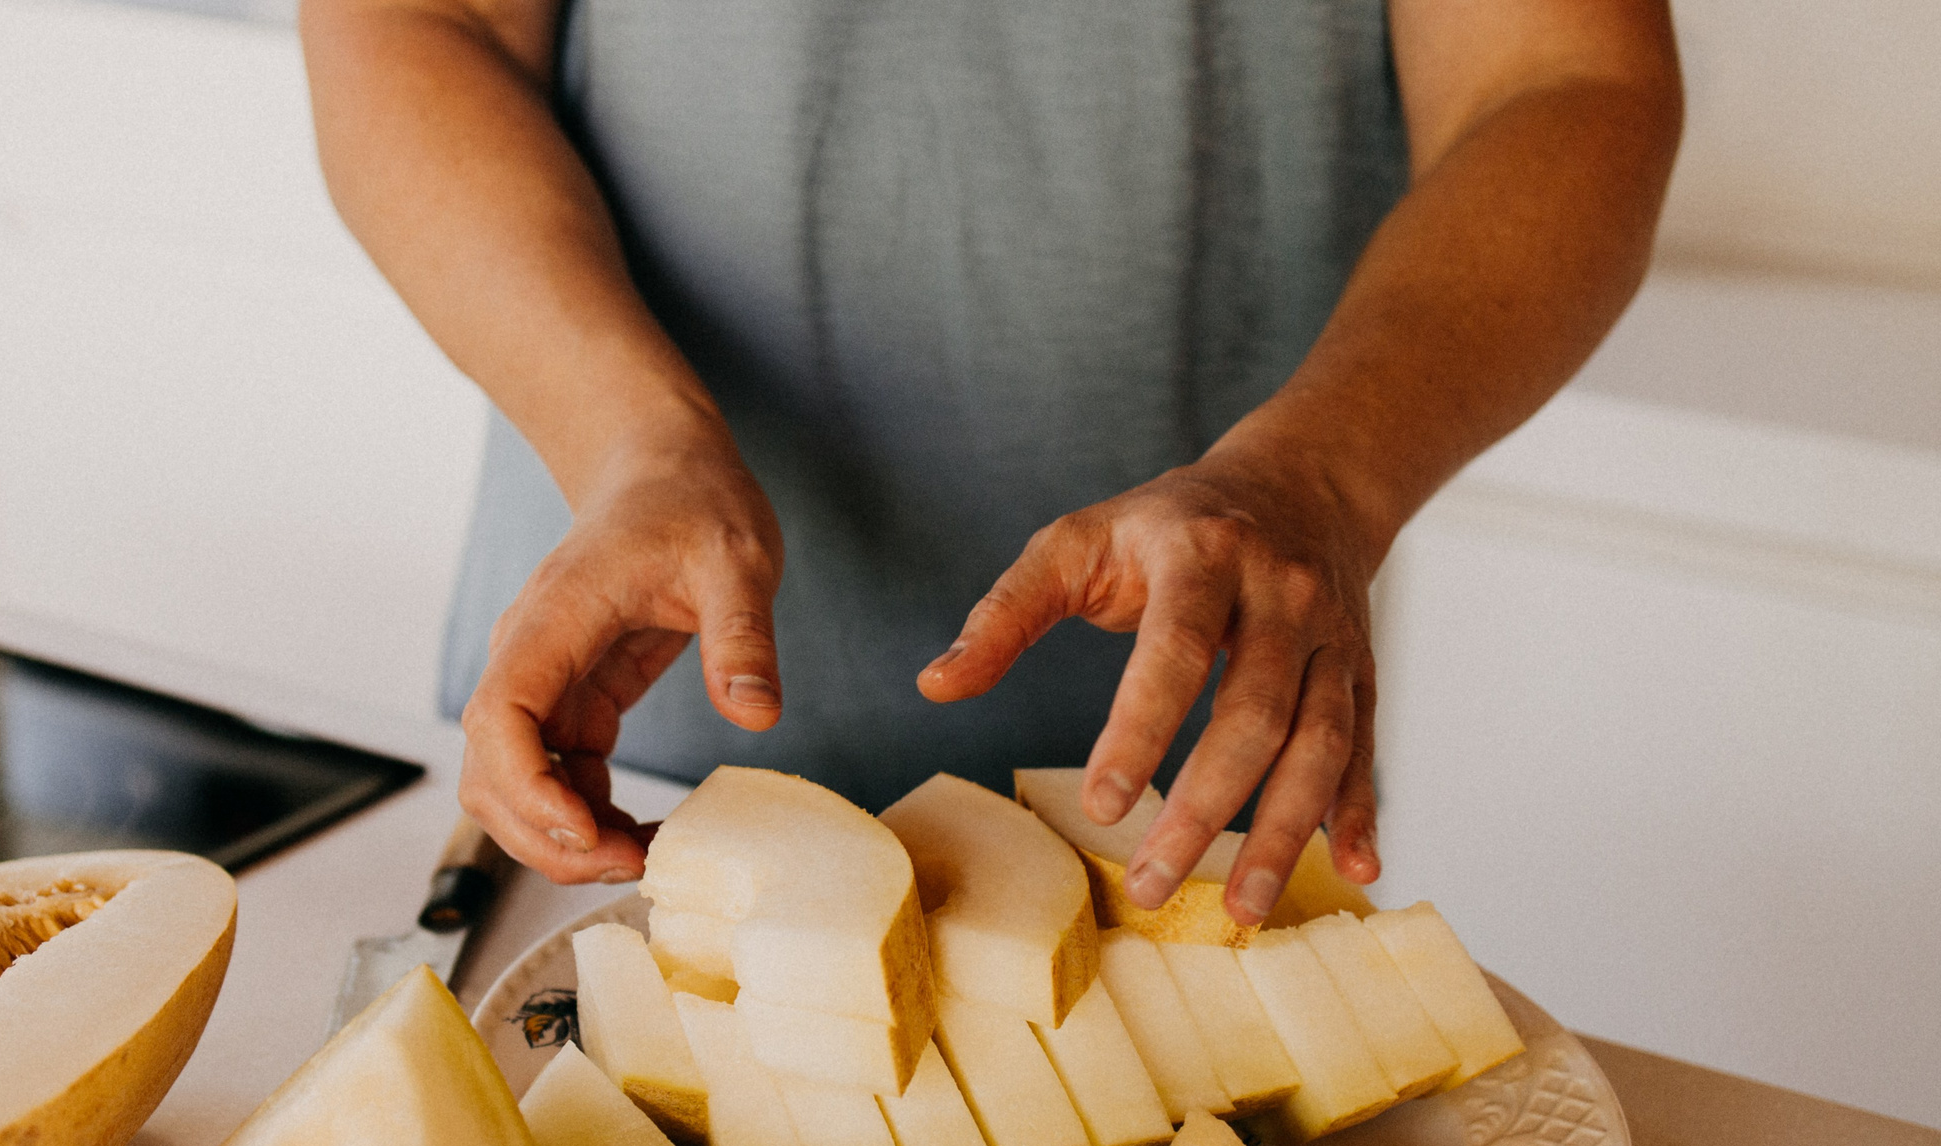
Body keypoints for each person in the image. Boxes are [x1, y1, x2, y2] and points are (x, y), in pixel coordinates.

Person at [298, 0, 1681, 923]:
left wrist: (1325, 478)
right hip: (621, 737)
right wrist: (628, 443)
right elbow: (422, 20)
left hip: (1183, 787)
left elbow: (1565, 77)